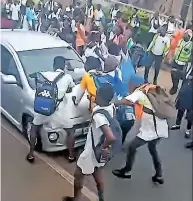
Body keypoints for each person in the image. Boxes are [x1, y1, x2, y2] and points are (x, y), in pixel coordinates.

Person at [63, 83, 116, 201]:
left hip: (91, 152)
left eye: (97, 93)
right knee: (98, 175)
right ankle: (101, 198)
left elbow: (111, 137)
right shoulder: (111, 108)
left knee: (78, 175)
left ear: (101, 97)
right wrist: (105, 148)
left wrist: (104, 146)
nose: (94, 95)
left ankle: (76, 198)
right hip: (100, 153)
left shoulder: (99, 116)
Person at [112, 84, 169, 184]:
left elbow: (127, 101)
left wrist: (113, 103)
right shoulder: (153, 91)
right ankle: (159, 174)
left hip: (150, 130)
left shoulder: (139, 93)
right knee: (152, 148)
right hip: (161, 128)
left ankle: (126, 170)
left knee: (132, 147)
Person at [26, 56, 76, 163]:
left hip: (44, 109)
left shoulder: (45, 74)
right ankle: (71, 155)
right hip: (59, 111)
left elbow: (33, 76)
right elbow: (71, 88)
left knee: (34, 129)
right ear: (64, 66)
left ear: (54, 65)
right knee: (70, 131)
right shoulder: (67, 77)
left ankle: (31, 154)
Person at [171, 63, 193, 138]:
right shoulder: (188, 65)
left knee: (190, 113)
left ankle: (188, 130)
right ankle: (177, 124)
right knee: (180, 108)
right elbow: (184, 76)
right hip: (184, 90)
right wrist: (177, 72)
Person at [169, 30, 192, 95]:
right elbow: (177, 50)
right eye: (184, 34)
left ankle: (178, 90)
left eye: (186, 35)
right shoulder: (180, 41)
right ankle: (175, 86)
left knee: (181, 76)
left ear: (189, 37)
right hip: (176, 61)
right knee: (173, 74)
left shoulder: (191, 45)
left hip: (183, 64)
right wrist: (172, 58)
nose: (184, 35)